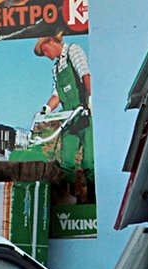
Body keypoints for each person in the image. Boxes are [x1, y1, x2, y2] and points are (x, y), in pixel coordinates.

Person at [33, 32, 93, 177]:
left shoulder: (73, 50)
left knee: (89, 163)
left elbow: (85, 74)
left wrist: (91, 99)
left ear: (51, 41)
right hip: (69, 118)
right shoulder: (56, 68)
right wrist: (45, 111)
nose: (46, 55)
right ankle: (68, 197)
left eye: (45, 50)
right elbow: (57, 95)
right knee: (66, 163)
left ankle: (91, 196)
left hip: (85, 115)